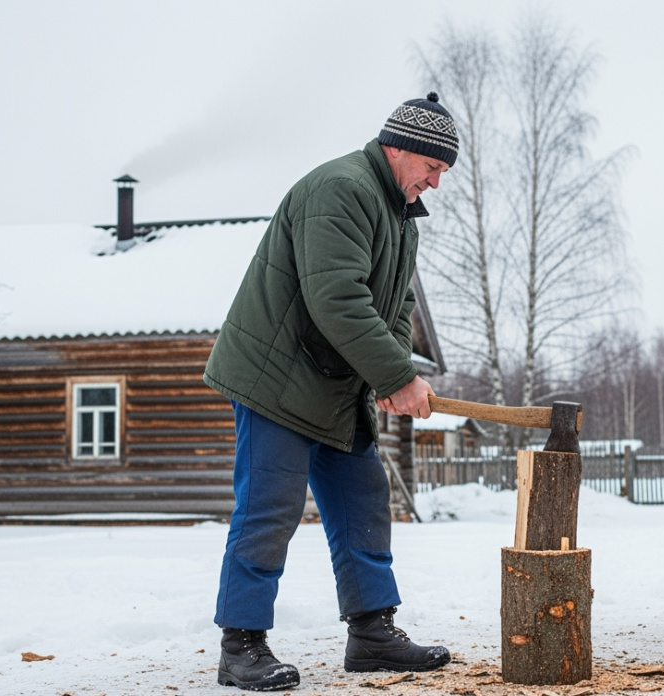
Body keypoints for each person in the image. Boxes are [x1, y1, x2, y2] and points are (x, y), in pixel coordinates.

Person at [202, 93, 458, 692]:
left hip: (334, 384)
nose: (436, 183)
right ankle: (241, 645)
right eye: (434, 169)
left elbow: (396, 309)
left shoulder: (398, 217)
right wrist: (396, 376)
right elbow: (337, 299)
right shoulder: (340, 190)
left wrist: (390, 374)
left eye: (442, 173)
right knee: (270, 509)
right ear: (403, 148)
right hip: (277, 380)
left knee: (364, 500)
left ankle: (371, 633)